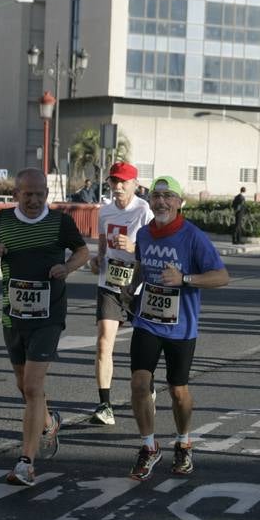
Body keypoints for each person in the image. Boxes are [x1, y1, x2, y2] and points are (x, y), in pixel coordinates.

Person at [0, 169, 90, 486]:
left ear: (47, 193)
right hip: (12, 315)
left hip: (49, 314)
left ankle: (26, 463)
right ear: (16, 193)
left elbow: (83, 251)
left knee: (31, 386)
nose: (34, 199)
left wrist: (67, 267)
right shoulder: (1, 221)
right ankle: (48, 421)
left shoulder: (61, 222)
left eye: (39, 193)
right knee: (24, 386)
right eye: (27, 194)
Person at [126, 175, 230, 480]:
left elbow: (222, 276)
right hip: (147, 321)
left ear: (179, 203)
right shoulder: (144, 234)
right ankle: (148, 447)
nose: (161, 201)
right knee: (139, 384)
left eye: (168, 196)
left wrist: (185, 279)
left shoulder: (193, 236)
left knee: (178, 391)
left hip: (181, 327)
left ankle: (184, 441)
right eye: (156, 196)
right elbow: (141, 268)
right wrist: (130, 290)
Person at [88, 161, 153, 426]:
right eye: (114, 181)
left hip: (138, 285)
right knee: (104, 343)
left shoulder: (144, 210)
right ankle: (105, 405)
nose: (118, 186)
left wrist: (134, 245)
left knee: (145, 347)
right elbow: (102, 246)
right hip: (110, 284)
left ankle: (148, 387)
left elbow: (154, 246)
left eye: (123, 181)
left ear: (135, 184)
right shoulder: (105, 212)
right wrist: (96, 260)